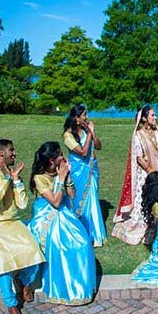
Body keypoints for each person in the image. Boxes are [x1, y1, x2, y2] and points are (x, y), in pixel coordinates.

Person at [0, 139, 44, 314]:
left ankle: (23, 281)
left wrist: (16, 181)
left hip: (13, 222)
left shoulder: (13, 175)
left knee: (35, 253)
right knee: (3, 264)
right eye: (11, 151)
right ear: (0, 154)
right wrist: (7, 178)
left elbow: (22, 204)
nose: (14, 153)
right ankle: (11, 303)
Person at [28, 142, 96, 305]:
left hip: (65, 215)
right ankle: (62, 289)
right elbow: (55, 202)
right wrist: (60, 178)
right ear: (51, 160)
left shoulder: (61, 171)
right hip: (46, 217)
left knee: (82, 243)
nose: (63, 157)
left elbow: (71, 195)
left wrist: (68, 177)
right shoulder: (39, 178)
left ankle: (80, 287)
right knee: (61, 245)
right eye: (59, 155)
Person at [112, 105, 158, 245]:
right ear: (144, 118)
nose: (156, 118)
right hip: (146, 174)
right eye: (152, 116)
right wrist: (151, 172)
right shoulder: (138, 136)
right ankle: (144, 225)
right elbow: (139, 158)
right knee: (146, 199)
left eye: (155, 115)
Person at [63, 105, 107, 247]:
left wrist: (92, 133)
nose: (86, 117)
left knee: (92, 198)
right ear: (76, 118)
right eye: (84, 115)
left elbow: (99, 147)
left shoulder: (87, 130)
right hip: (78, 171)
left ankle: (95, 235)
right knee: (79, 200)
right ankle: (82, 233)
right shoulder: (68, 136)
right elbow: (82, 152)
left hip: (92, 169)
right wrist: (89, 134)